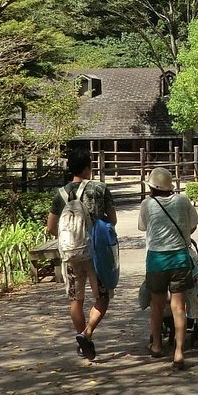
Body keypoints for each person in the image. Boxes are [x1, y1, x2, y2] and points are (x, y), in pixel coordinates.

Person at [46, 148, 116, 361]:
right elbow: (112, 220)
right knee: (102, 297)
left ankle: (82, 338)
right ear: (88, 166)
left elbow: (50, 227)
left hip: (70, 253)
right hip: (96, 253)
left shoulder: (61, 194)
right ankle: (87, 332)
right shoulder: (100, 189)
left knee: (76, 299)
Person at [138, 166, 198, 370]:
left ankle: (156, 345)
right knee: (179, 307)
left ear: (152, 188)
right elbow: (193, 225)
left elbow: (144, 227)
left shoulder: (147, 204)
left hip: (156, 259)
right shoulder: (182, 200)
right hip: (180, 259)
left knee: (156, 305)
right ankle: (179, 352)